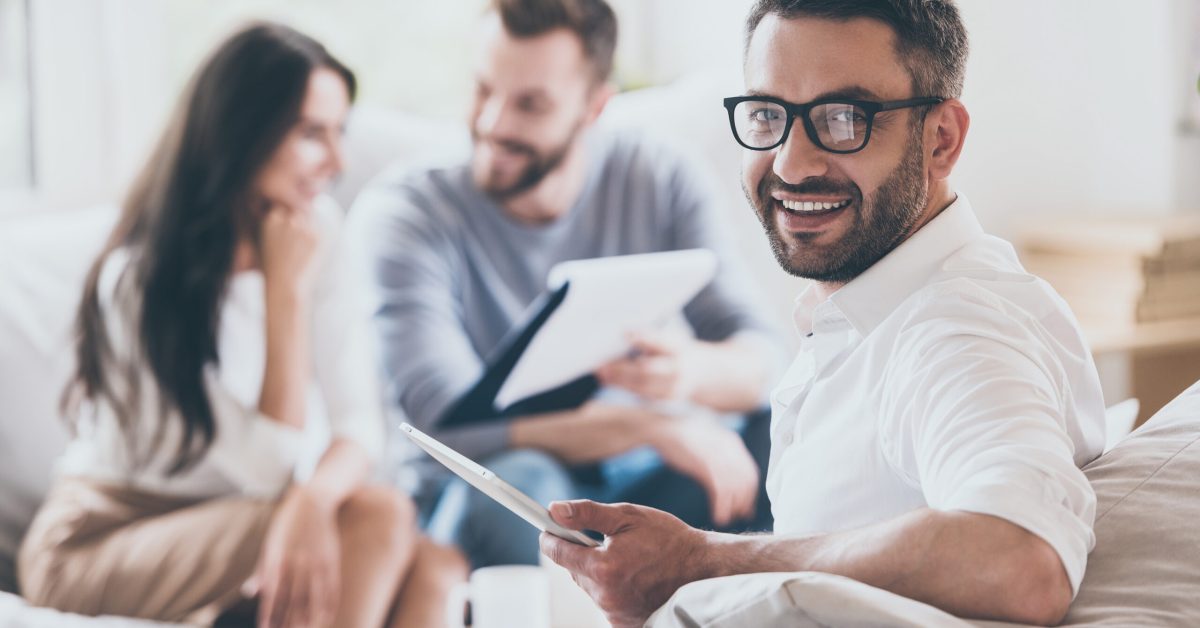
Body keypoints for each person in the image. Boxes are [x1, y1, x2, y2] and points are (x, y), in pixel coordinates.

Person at [539, 1, 1107, 626]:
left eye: (844, 118)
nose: (790, 163)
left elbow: (1021, 560)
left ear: (940, 139)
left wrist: (700, 562)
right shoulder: (870, 314)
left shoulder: (956, 329)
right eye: (767, 114)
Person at [17, 22, 466, 627]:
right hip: (100, 539)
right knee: (376, 520)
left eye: (339, 134)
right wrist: (285, 295)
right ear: (241, 135)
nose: (337, 161)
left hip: (241, 519)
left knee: (436, 568)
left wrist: (313, 499)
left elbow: (362, 427)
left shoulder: (321, 232)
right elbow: (268, 470)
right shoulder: (136, 280)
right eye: (312, 134)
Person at [349, 0, 784, 569]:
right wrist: (653, 426)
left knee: (783, 438)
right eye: (483, 89)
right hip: (500, 494)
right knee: (526, 484)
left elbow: (764, 358)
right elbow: (449, 428)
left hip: (640, 485)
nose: (493, 123)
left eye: (530, 104)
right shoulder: (407, 215)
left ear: (593, 107)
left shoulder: (660, 177)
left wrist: (688, 372)